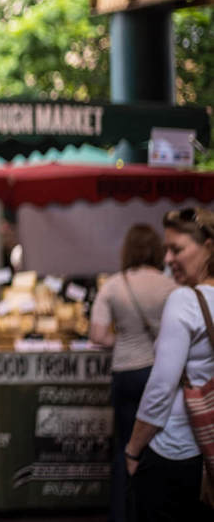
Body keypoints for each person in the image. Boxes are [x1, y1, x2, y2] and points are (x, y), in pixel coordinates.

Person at [125, 207, 214, 521]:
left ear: (209, 247)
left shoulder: (186, 300)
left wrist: (133, 449)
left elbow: (162, 386)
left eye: (177, 249)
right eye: (166, 249)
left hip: (177, 449)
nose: (167, 259)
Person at [89, 223, 176, 522]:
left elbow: (97, 335)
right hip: (159, 371)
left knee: (125, 447)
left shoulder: (113, 285)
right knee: (157, 448)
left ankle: (121, 514)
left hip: (125, 370)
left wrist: (124, 339)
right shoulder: (171, 287)